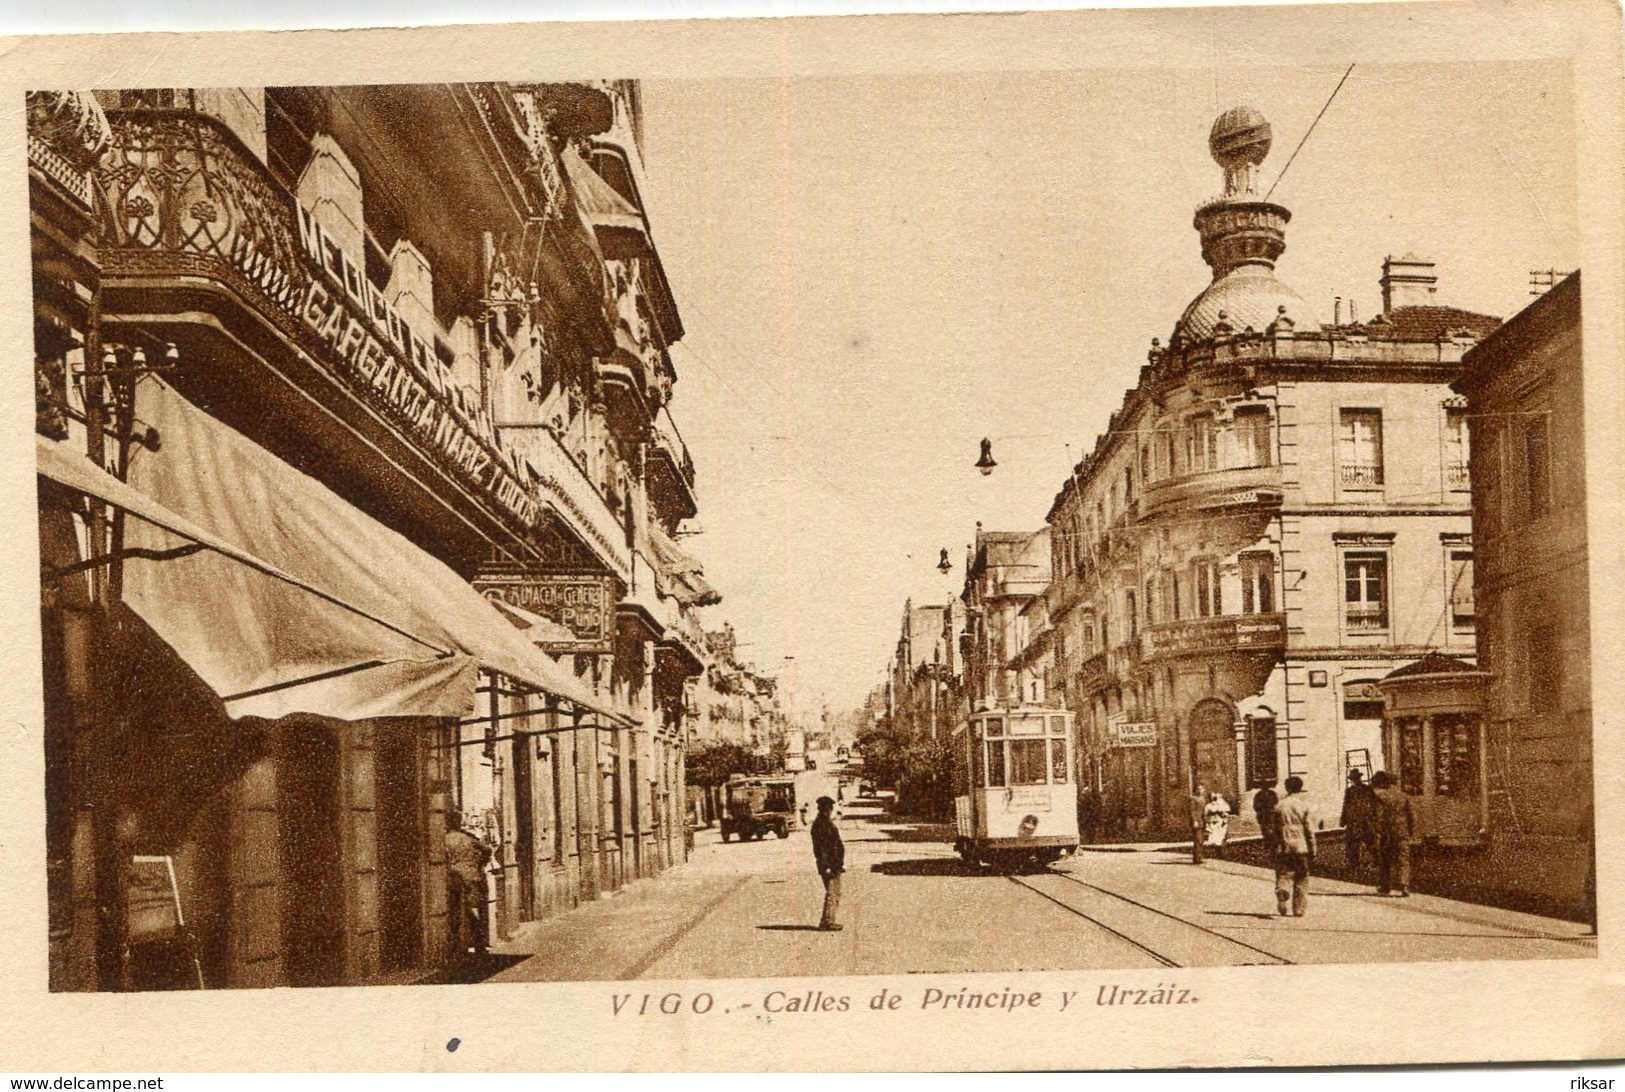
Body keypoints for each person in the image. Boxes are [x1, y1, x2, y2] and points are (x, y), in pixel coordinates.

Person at [445, 810, 493, 956]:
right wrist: (479, 864)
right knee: (473, 912)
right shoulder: (468, 838)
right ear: (459, 822)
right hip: (472, 877)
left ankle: (456, 946)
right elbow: (487, 850)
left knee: (456, 913)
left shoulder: (445, 839)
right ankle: (479, 944)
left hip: (453, 878)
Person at [1273, 776, 1316, 917]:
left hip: (1284, 845)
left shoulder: (1279, 806)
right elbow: (1309, 829)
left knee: (1284, 873)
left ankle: (1282, 890)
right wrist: (1313, 848)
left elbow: (1274, 828)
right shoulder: (1304, 806)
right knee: (1302, 877)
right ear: (1300, 788)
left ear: (1287, 788)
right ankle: (1298, 909)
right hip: (1300, 845)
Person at [1370, 771, 1415, 896]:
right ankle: (1404, 885)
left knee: (1386, 860)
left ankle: (1385, 886)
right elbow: (1411, 817)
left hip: (1387, 833)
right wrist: (1410, 832)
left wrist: (1377, 832)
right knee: (1403, 860)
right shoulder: (1404, 797)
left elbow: (1378, 816)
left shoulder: (1381, 797)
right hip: (1402, 833)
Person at [810, 796, 845, 931]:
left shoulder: (824, 823)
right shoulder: (821, 825)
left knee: (835, 892)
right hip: (830, 865)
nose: (829, 811)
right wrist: (827, 866)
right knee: (832, 893)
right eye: (828, 808)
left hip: (834, 864)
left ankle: (828, 920)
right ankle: (827, 922)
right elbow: (822, 848)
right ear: (825, 809)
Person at [1339, 769, 1379, 878]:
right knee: (1355, 845)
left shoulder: (1365, 789)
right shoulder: (1355, 790)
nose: (1355, 780)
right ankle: (1355, 866)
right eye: (1354, 779)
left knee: (1368, 844)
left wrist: (1374, 817)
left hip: (1362, 821)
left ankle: (1373, 865)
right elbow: (1346, 805)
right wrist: (1343, 819)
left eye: (1356, 778)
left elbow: (1374, 804)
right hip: (1358, 821)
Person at [1252, 783, 1281, 855]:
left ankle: (1269, 845)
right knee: (1268, 830)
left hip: (1266, 815)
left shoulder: (1259, 794)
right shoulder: (1270, 794)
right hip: (1267, 815)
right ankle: (1270, 846)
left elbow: (1255, 806)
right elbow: (1276, 803)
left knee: (1267, 830)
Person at [1203, 791, 1233, 859]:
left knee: (1221, 837)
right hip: (1213, 823)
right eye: (1211, 797)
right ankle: (1217, 853)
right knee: (1215, 838)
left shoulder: (1221, 803)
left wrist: (1223, 814)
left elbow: (1226, 811)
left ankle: (1222, 853)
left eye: (1214, 797)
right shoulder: (1208, 806)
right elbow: (1205, 814)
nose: (1213, 798)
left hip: (1220, 822)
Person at [1189, 784, 1209, 864]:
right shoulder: (1193, 799)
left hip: (1202, 821)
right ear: (1196, 790)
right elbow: (1192, 811)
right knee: (1198, 840)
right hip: (1197, 822)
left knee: (1201, 840)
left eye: (1201, 789)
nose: (1200, 790)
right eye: (1198, 789)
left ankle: (1200, 856)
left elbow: (1204, 811)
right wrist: (1194, 820)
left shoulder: (1203, 799)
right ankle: (1197, 858)